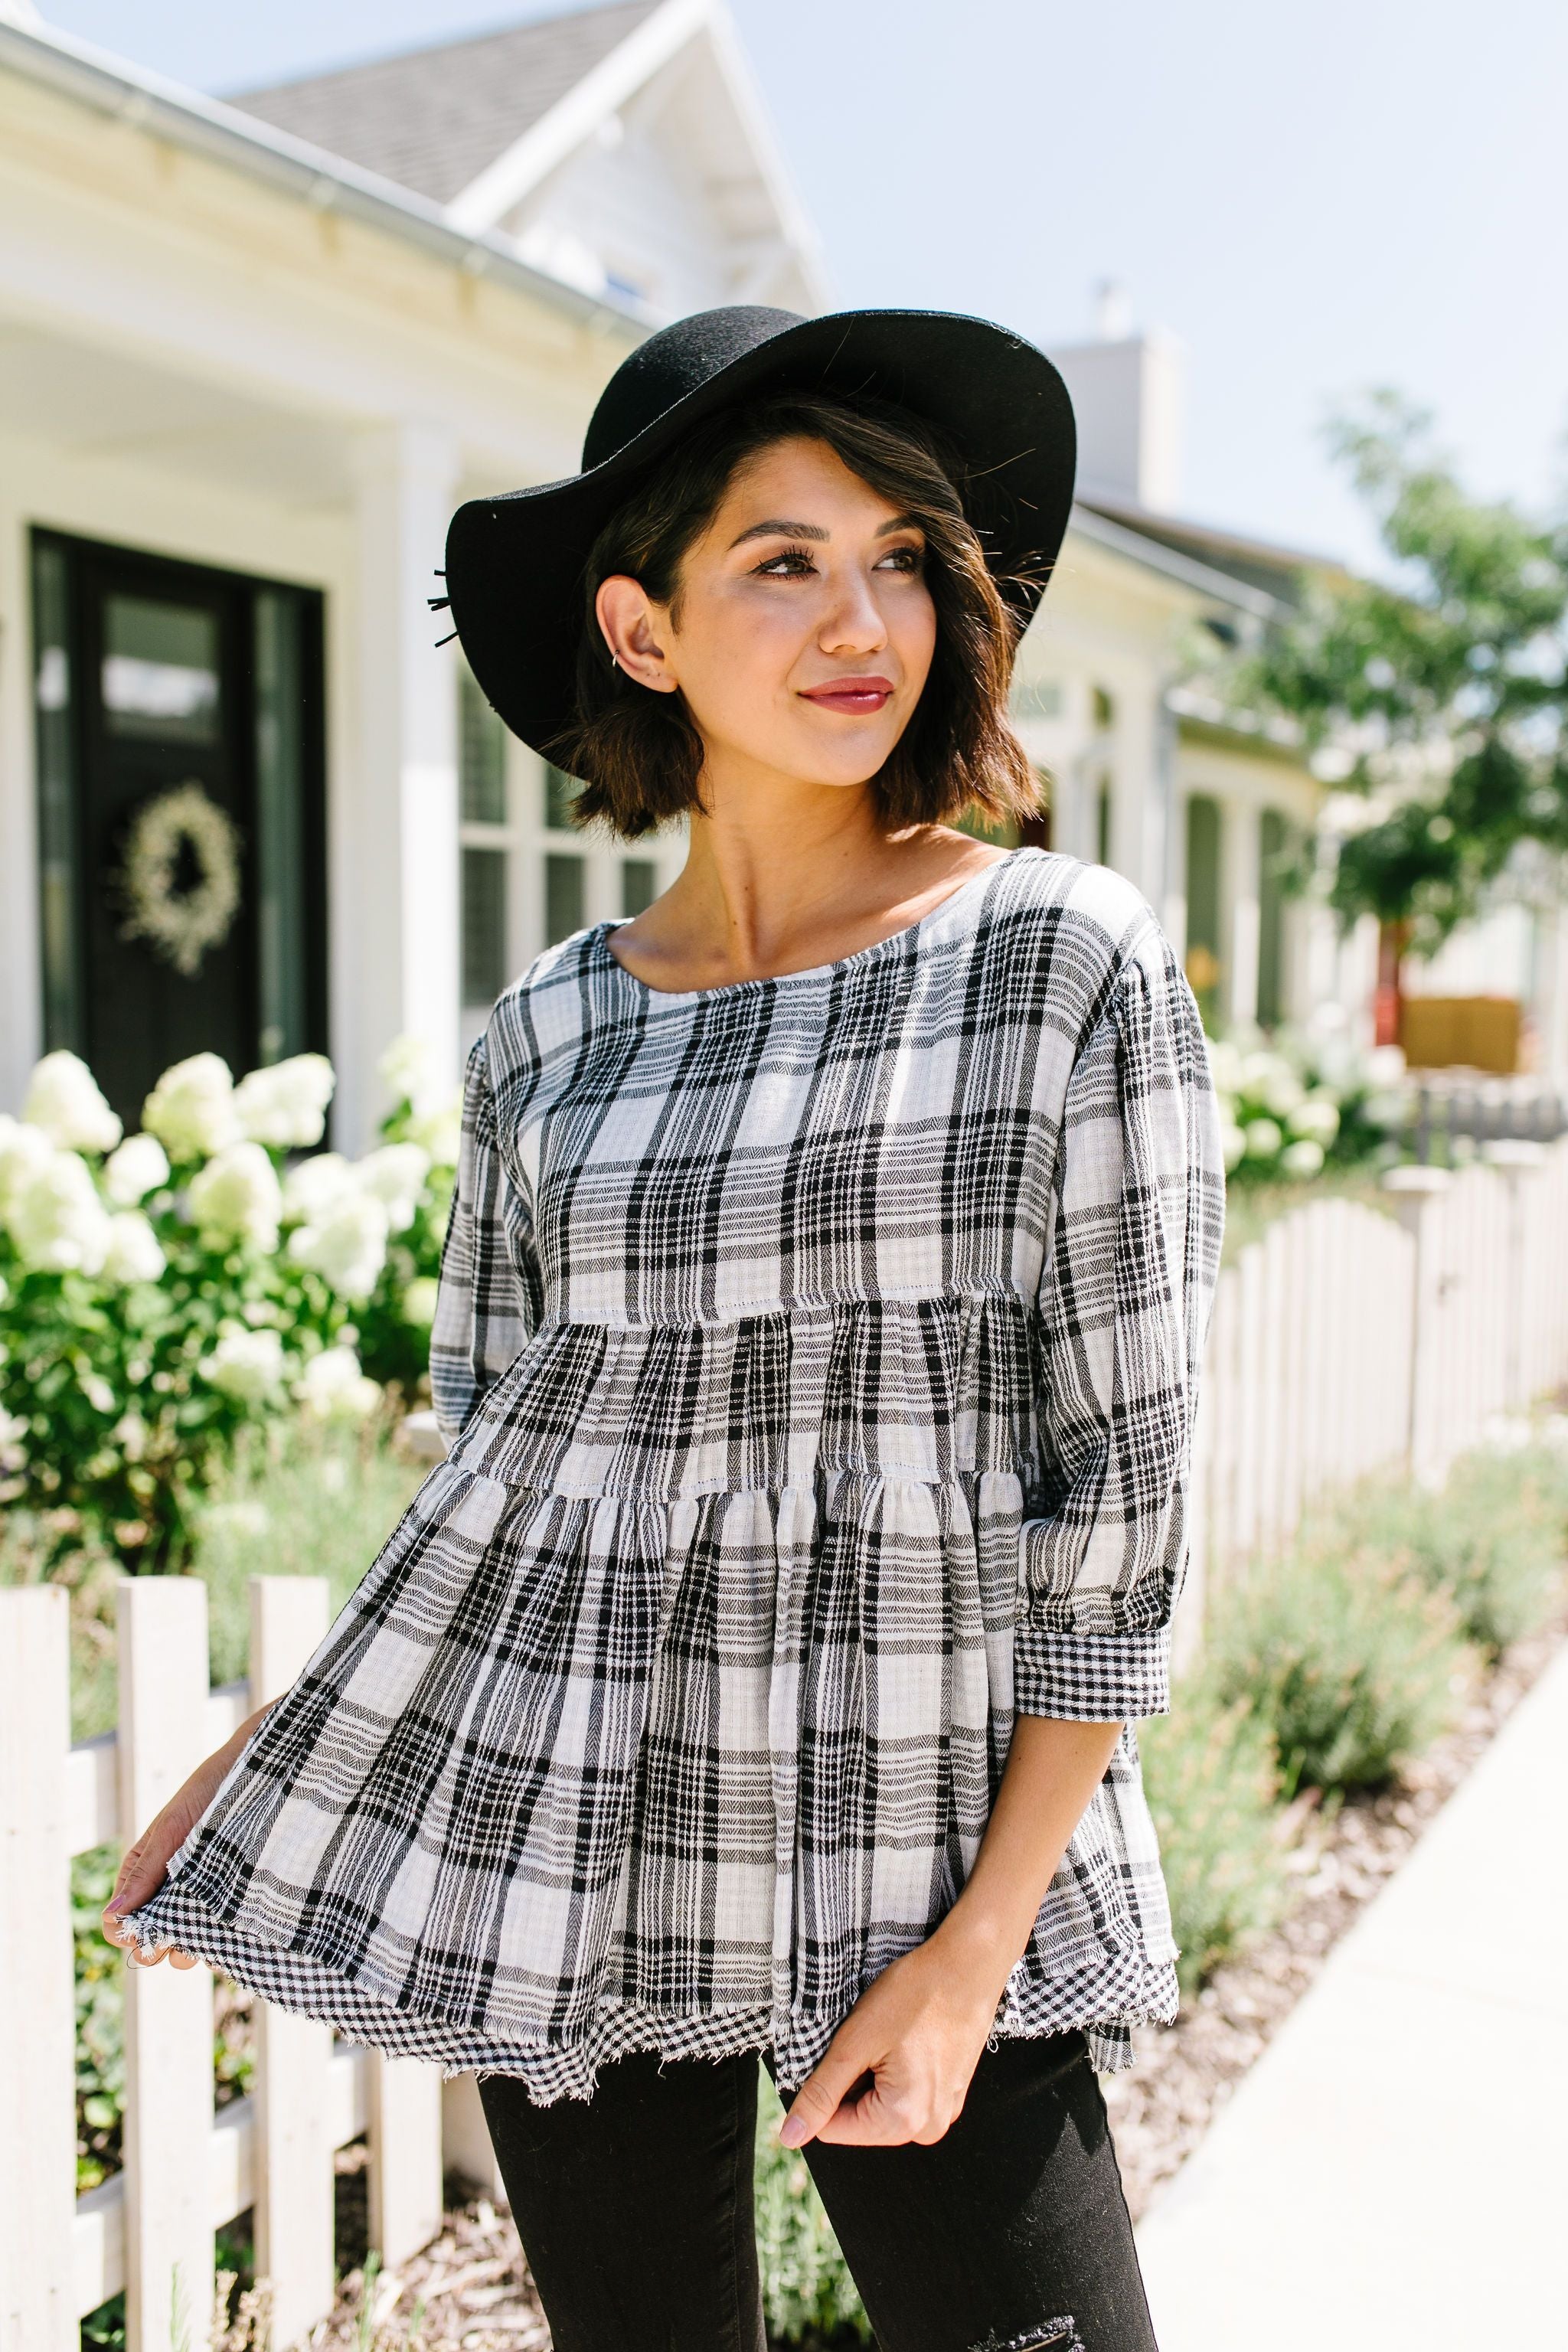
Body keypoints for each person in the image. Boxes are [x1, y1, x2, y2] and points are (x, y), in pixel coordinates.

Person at [106, 304, 1225, 2352]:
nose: (860, 614)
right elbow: (496, 1464)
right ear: (644, 631)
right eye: (782, 561)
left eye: (899, 554)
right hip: (585, 1843)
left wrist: (981, 1948)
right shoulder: (552, 1029)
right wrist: (292, 1743)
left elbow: (1126, 1496)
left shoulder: (1059, 958)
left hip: (928, 1842)